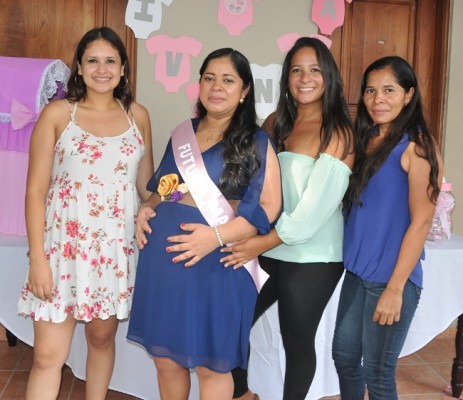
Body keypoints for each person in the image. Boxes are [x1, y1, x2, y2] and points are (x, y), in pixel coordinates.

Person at [126, 48, 281, 400]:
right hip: (166, 263)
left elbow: (269, 208)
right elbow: (165, 189)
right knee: (166, 360)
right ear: (199, 84)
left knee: (214, 365)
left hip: (219, 264)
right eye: (209, 78)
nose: (216, 87)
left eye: (228, 80)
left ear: (244, 91)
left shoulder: (257, 141)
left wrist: (214, 237)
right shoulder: (183, 133)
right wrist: (146, 209)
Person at [17, 27, 153, 400]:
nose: (102, 69)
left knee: (101, 338)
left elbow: (145, 189)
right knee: (48, 356)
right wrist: (37, 259)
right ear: (79, 67)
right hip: (61, 251)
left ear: (124, 69)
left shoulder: (137, 116)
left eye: (111, 61)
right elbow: (34, 191)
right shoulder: (58, 113)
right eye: (92, 60)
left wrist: (179, 190)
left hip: (113, 253)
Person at [221, 37, 355, 400]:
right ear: (287, 79)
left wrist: (258, 244)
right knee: (231, 323)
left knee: (296, 339)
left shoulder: (338, 131)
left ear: (328, 76)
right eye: (296, 69)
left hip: (312, 256)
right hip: (266, 247)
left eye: (314, 69)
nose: (305, 77)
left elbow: (310, 213)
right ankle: (242, 393)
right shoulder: (275, 122)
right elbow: (250, 184)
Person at [331, 56, 443, 399]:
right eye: (370, 90)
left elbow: (422, 220)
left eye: (389, 90)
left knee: (379, 374)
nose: (378, 99)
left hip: (391, 280)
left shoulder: (417, 145)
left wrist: (395, 290)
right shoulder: (365, 140)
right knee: (345, 358)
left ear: (408, 95)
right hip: (356, 274)